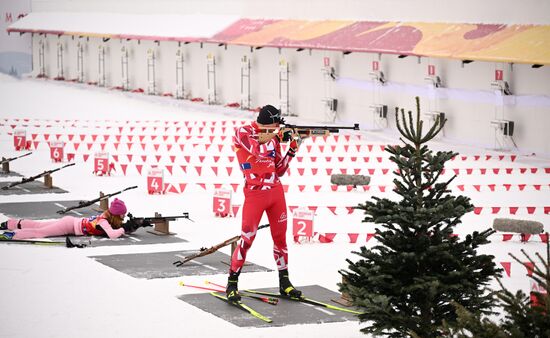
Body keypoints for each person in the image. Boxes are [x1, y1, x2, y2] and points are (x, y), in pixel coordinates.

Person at [226, 104, 302, 302]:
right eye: (276, 124)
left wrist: (291, 151)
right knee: (247, 239)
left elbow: (279, 169)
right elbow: (256, 150)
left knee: (280, 239)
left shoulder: (272, 138)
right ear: (271, 122)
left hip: (276, 193)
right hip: (255, 194)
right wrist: (277, 136)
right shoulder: (243, 132)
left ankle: (284, 283)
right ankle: (232, 283)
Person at [0, 198, 136, 240]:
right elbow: (112, 235)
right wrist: (125, 228)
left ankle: (10, 224)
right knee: (40, 232)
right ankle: (10, 235)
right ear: (116, 214)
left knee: (38, 226)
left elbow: (114, 229)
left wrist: (134, 225)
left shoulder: (105, 217)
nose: (124, 216)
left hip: (70, 222)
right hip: (68, 226)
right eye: (122, 215)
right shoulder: (103, 221)